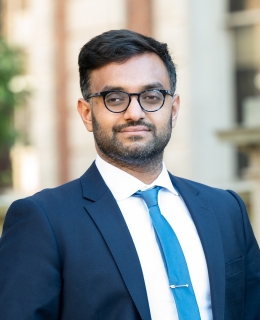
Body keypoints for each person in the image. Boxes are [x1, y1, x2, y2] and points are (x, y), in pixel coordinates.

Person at [0, 29, 259, 320]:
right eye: (114, 98)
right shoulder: (42, 221)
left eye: (151, 96)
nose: (135, 113)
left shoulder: (226, 210)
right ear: (87, 113)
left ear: (173, 109)